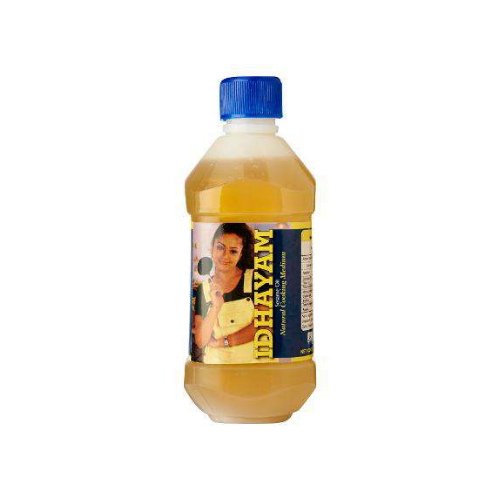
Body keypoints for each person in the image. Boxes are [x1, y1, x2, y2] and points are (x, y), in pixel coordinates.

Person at [193, 223, 258, 363]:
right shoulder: (203, 289)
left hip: (254, 366)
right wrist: (215, 307)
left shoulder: (256, 279)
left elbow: (265, 325)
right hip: (215, 368)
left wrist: (222, 342)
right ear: (212, 249)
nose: (225, 256)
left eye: (233, 251)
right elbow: (201, 341)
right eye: (220, 248)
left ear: (241, 254)